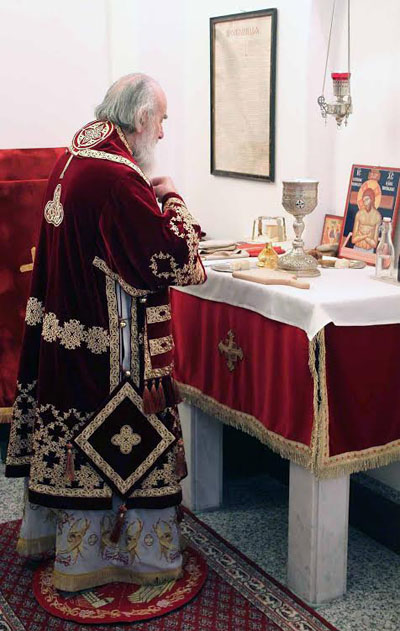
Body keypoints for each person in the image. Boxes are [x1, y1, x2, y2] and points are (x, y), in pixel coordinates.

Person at [5, 73, 206, 592]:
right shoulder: (117, 177)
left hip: (68, 343)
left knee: (80, 448)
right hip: (110, 355)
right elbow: (171, 259)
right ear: (140, 119)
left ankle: (72, 548)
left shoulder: (78, 151)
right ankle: (132, 556)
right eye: (161, 121)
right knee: (118, 448)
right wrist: (173, 199)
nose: (163, 133)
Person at [351, 188, 382, 252]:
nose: (365, 202)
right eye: (364, 200)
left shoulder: (377, 216)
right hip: (357, 248)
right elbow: (353, 240)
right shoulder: (359, 214)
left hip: (369, 251)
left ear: (372, 199)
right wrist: (367, 236)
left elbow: (374, 244)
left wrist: (362, 236)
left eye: (367, 199)